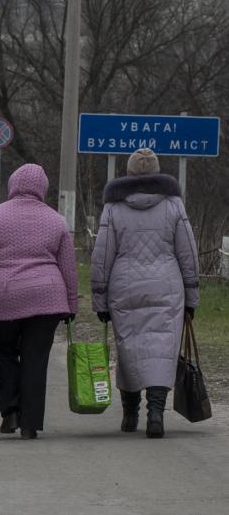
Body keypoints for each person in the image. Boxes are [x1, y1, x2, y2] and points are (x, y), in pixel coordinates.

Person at [0, 164, 77, 440]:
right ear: (43, 188)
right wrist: (71, 303)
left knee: (4, 353)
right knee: (36, 359)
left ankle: (10, 411)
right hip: (47, 298)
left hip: (5, 297)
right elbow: (69, 267)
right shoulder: (56, 220)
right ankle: (30, 423)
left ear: (12, 185)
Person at [90, 148, 199, 438]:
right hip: (167, 285)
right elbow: (187, 252)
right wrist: (192, 296)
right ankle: (156, 413)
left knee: (129, 347)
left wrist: (99, 298)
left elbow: (102, 255)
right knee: (162, 347)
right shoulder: (173, 204)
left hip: (124, 286)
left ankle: (130, 415)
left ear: (128, 172)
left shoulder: (114, 207)